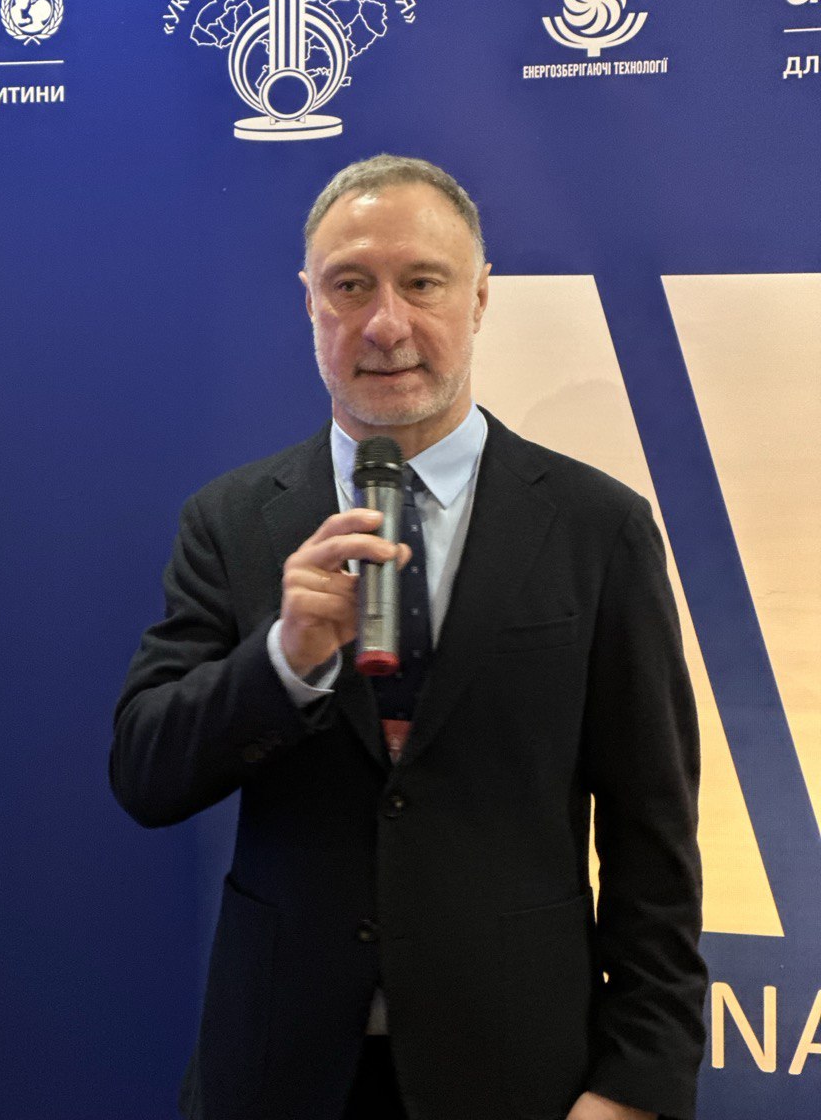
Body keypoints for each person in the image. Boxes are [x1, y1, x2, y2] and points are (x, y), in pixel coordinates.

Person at [110, 155, 707, 1120]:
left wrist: (637, 1085)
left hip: (521, 1073)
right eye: (350, 286)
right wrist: (284, 661)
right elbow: (146, 773)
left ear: (479, 298)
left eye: (422, 282)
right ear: (310, 304)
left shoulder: (598, 527)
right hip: (278, 1072)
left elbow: (655, 838)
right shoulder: (231, 522)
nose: (386, 324)